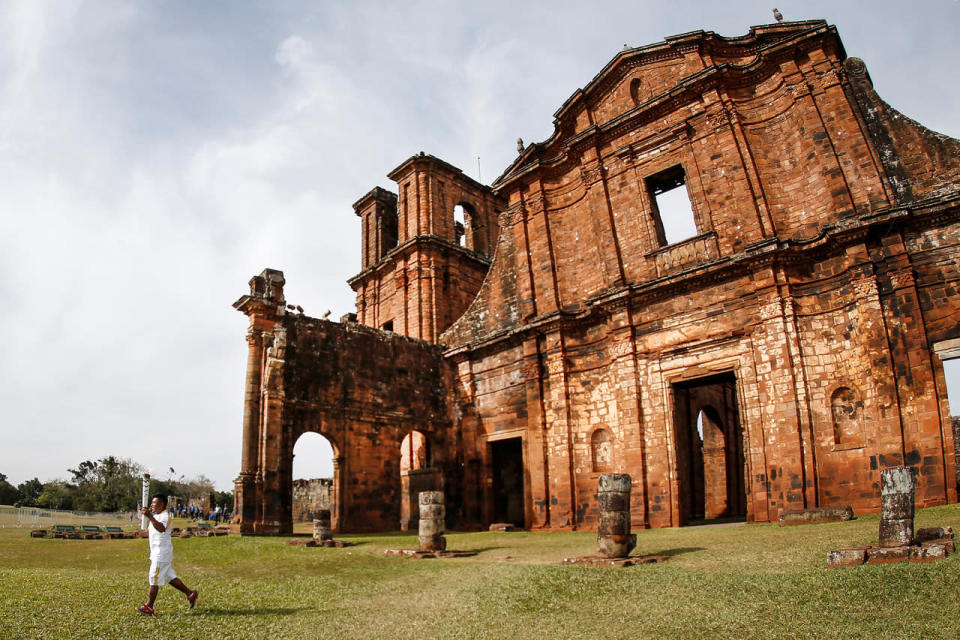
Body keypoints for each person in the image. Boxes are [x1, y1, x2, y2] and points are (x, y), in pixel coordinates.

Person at [137, 493, 198, 616]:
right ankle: (191, 594)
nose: (152, 506)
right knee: (169, 577)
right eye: (152, 503)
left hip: (162, 553)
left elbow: (161, 529)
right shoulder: (155, 517)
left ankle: (149, 606)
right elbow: (150, 532)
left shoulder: (166, 516)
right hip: (156, 552)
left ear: (162, 505)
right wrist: (139, 534)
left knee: (154, 577)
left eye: (155, 504)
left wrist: (150, 516)